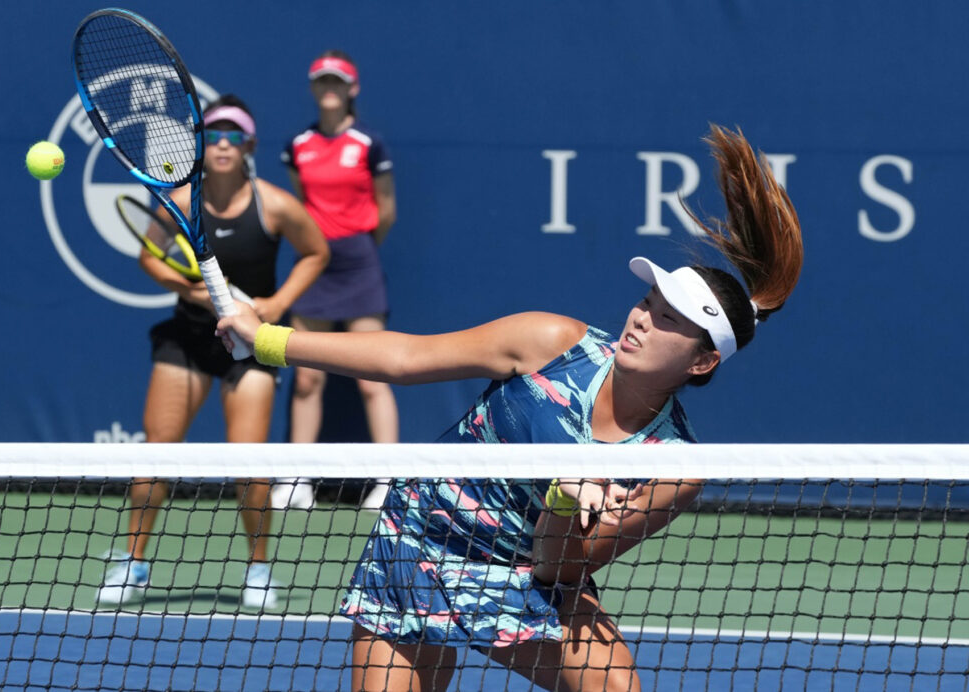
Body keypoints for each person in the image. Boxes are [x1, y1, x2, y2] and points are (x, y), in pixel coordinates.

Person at [217, 124, 803, 690]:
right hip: (419, 539)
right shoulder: (551, 341)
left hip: (523, 572)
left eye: (668, 320)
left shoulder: (673, 469)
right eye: (647, 302)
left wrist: (562, 500)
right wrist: (267, 339)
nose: (641, 319)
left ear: (701, 363)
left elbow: (556, 570)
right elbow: (404, 358)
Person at [97, 95, 330, 610]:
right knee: (157, 452)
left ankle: (259, 571)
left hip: (249, 347)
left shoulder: (275, 205)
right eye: (214, 134)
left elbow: (317, 252)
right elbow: (151, 259)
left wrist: (276, 303)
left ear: (248, 144)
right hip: (189, 339)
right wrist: (194, 292)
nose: (222, 143)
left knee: (249, 464)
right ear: (204, 145)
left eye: (233, 134)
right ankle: (134, 563)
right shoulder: (181, 199)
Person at [276, 50, 398, 511]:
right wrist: (321, 247)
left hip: (359, 262)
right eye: (321, 81)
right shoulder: (297, 146)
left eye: (337, 80)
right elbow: (300, 204)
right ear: (313, 88)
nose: (329, 88)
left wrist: (360, 246)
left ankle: (387, 481)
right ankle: (299, 479)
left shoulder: (370, 143)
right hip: (316, 264)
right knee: (306, 378)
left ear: (352, 88)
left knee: (373, 378)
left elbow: (386, 210)